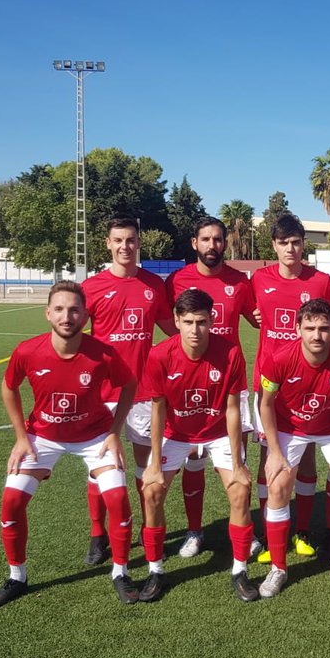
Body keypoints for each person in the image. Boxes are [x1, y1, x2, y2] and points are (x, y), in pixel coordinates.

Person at [0, 281, 138, 609]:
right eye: (59, 309)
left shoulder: (102, 353)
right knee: (11, 501)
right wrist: (21, 437)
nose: (66, 316)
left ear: (85, 315)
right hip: (43, 437)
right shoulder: (28, 351)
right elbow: (9, 386)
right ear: (47, 313)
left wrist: (114, 432)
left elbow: (129, 385)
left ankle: (121, 572)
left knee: (117, 498)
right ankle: (17, 577)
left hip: (95, 437)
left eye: (74, 310)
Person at [141, 289, 259, 603]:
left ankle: (240, 570)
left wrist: (238, 464)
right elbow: (158, 410)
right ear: (177, 321)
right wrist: (154, 465)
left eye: (202, 322)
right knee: (151, 491)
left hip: (218, 432)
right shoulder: (160, 355)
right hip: (176, 433)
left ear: (212, 320)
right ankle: (155, 570)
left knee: (240, 490)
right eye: (189, 322)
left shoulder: (230, 353)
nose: (195, 329)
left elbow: (233, 410)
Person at [257, 298, 330, 598]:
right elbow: (265, 404)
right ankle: (278, 568)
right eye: (309, 328)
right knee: (277, 487)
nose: (316, 335)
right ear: (297, 329)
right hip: (289, 427)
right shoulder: (279, 358)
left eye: (323, 328)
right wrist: (275, 452)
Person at [81, 218, 176, 566]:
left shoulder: (154, 284)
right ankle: (98, 535)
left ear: (139, 243)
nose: (125, 246)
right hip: (102, 392)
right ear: (108, 243)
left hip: (142, 391)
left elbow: (171, 328)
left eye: (131, 240)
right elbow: (74, 334)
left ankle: (148, 526)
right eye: (118, 240)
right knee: (100, 466)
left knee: (144, 464)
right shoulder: (91, 287)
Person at [165, 217, 260, 558]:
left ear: (225, 243)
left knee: (237, 461)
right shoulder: (177, 280)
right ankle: (195, 531)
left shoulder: (239, 281)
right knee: (193, 458)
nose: (212, 245)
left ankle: (244, 530)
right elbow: (170, 323)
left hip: (231, 383)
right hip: (192, 382)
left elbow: (258, 318)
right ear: (194, 243)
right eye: (205, 239)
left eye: (218, 239)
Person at [250, 213, 330, 563]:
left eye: (296, 242)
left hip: (312, 383)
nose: (291, 248)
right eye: (284, 243)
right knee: (269, 459)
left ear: (304, 245)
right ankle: (268, 532)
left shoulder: (321, 281)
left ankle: (302, 530)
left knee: (305, 459)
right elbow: (248, 313)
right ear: (274, 245)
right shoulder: (259, 279)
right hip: (270, 385)